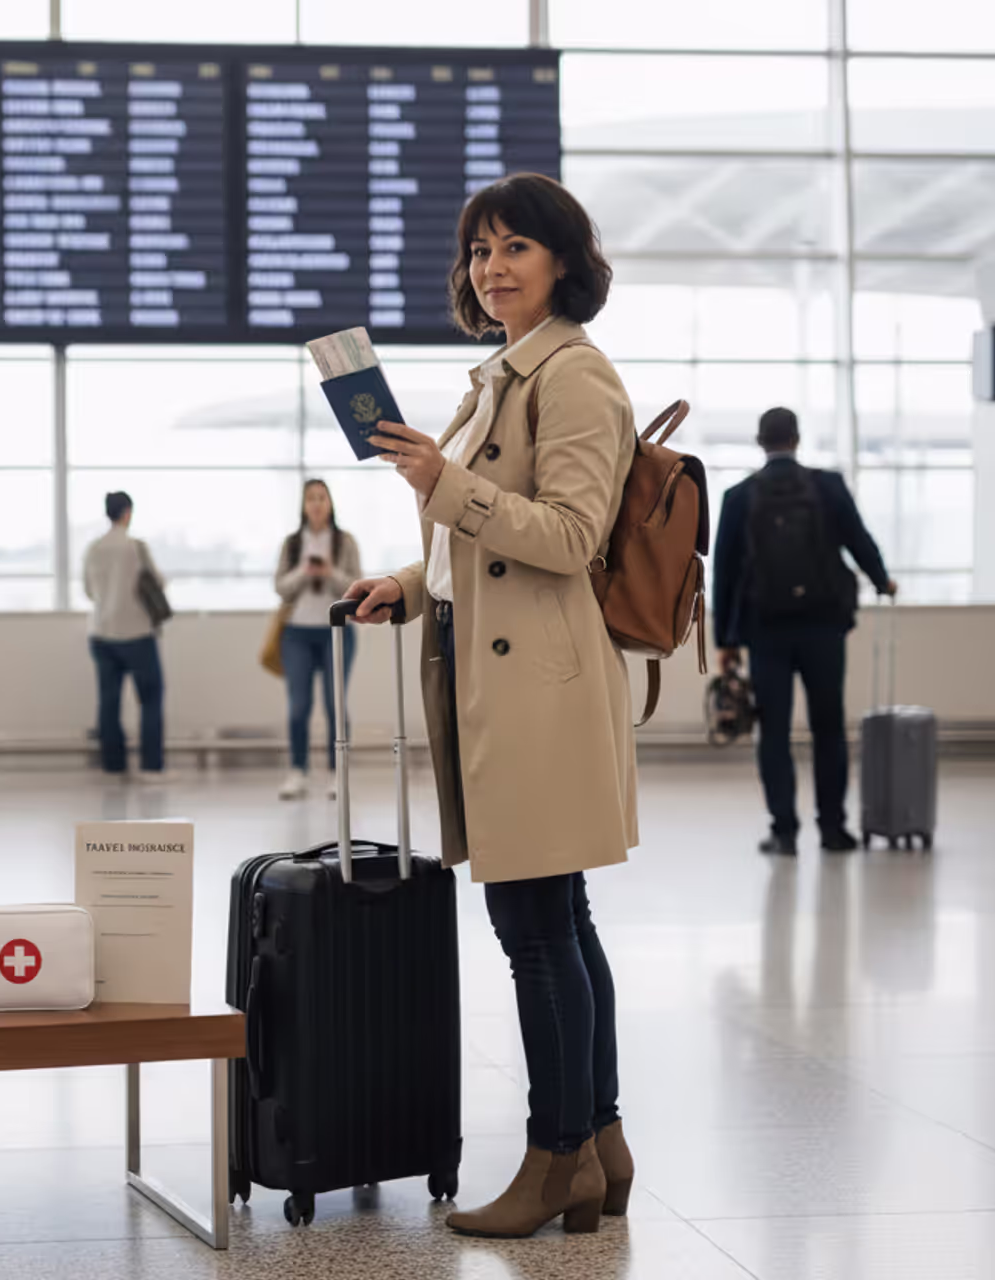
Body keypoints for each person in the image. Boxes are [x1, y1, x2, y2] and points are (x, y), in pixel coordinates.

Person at [346, 173, 637, 1239]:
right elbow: (477, 548)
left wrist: (442, 481)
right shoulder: (501, 377)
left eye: (517, 246)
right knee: (558, 919)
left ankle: (555, 1157)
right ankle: (601, 1144)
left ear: (564, 261)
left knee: (532, 927)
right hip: (500, 678)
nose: (493, 266)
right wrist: (409, 582)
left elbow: (566, 538)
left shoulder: (575, 377)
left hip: (542, 692)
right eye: (479, 250)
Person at [712, 407, 896, 856]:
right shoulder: (827, 486)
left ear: (761, 442)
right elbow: (858, 539)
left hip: (764, 630)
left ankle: (784, 832)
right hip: (823, 627)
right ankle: (833, 830)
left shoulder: (739, 496)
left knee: (772, 732)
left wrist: (726, 641)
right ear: (796, 439)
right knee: (828, 728)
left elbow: (725, 573)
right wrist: (881, 580)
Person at [272, 479, 363, 800]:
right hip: (296, 632)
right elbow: (281, 587)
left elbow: (356, 585)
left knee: (335, 704)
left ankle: (339, 774)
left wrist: (328, 572)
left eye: (321, 497)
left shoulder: (344, 541)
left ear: (330, 503)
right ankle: (298, 771)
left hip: (337, 632)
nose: (316, 504)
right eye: (310, 498)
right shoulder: (292, 543)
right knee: (299, 706)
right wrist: (303, 572)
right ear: (303, 505)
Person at [82, 490, 168, 781]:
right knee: (151, 699)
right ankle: (151, 767)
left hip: (102, 634)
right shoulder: (136, 547)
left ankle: (113, 766)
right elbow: (156, 582)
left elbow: (89, 591)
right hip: (137, 634)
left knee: (108, 702)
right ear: (128, 513)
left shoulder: (93, 548)